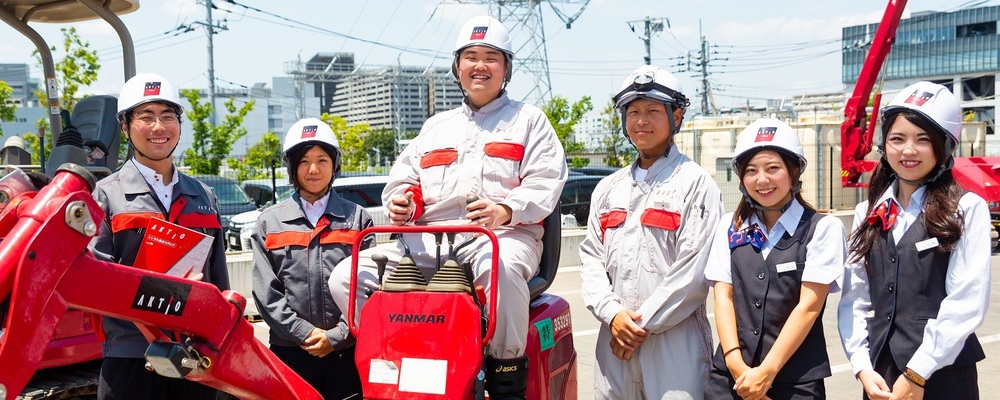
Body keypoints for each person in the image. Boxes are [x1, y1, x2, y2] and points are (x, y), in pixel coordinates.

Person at [328, 15, 567, 399]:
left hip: (499, 237)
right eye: (470, 56)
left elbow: (546, 183)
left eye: (491, 57)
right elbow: (403, 180)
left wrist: (504, 209)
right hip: (427, 246)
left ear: (506, 67)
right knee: (345, 276)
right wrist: (403, 201)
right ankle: (397, 353)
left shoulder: (530, 122)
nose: (480, 65)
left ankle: (504, 375)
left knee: (500, 268)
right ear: (457, 67)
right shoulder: (435, 127)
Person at [839, 81, 990, 400]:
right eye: (897, 139)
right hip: (881, 375)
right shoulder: (867, 211)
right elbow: (855, 298)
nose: (908, 150)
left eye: (923, 139)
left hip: (943, 377)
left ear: (945, 146)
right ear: (884, 145)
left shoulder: (966, 208)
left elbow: (967, 300)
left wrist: (918, 372)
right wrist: (863, 366)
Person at [578, 64, 722, 399]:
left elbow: (693, 272)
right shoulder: (607, 188)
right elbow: (591, 261)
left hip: (673, 339)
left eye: (653, 111)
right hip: (613, 336)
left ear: (677, 116)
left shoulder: (695, 184)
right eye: (634, 112)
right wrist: (612, 314)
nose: (642, 120)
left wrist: (636, 326)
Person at [89, 73, 229, 400]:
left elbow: (220, 278)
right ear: (125, 126)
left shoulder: (203, 195)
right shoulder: (106, 196)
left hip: (195, 354)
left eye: (168, 116)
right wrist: (170, 290)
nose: (158, 127)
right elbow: (98, 284)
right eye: (146, 117)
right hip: (131, 354)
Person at [704, 118, 845, 400]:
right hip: (732, 379)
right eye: (752, 171)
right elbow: (723, 297)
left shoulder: (822, 229)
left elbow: (809, 307)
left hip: (796, 383)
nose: (762, 180)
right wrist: (736, 366)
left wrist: (765, 373)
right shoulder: (728, 226)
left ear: (793, 172)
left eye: (773, 169)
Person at [251, 118, 372, 399]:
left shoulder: (358, 220)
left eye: (322, 160)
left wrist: (338, 336)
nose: (313, 169)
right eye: (304, 161)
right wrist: (303, 333)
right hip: (290, 353)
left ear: (335, 165)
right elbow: (265, 293)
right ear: (292, 167)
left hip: (346, 354)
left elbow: (368, 289)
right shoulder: (269, 223)